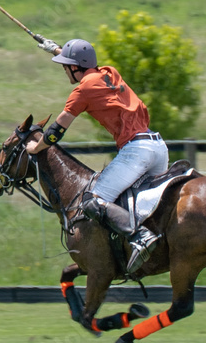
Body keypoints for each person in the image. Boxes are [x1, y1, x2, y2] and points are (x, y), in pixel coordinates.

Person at [25, 38, 169, 276]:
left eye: (65, 66)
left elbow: (55, 132)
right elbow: (87, 65)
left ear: (75, 67)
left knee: (93, 200)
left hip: (136, 152)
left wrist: (36, 148)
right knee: (141, 205)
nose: (64, 70)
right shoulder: (109, 72)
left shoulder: (82, 91)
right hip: (158, 147)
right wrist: (56, 49)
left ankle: (141, 238)